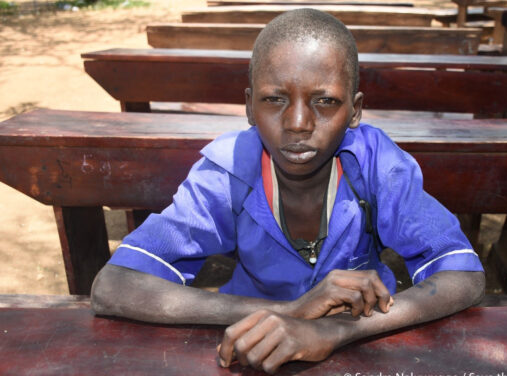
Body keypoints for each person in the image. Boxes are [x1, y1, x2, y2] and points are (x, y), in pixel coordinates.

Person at [91, 8, 485, 374]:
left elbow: (463, 276)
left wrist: (338, 331)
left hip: (362, 345)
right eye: (274, 99)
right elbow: (114, 287)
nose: (298, 123)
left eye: (326, 101)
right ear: (248, 106)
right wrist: (293, 310)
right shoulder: (229, 171)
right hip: (250, 346)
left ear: (355, 110)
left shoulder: (376, 166)